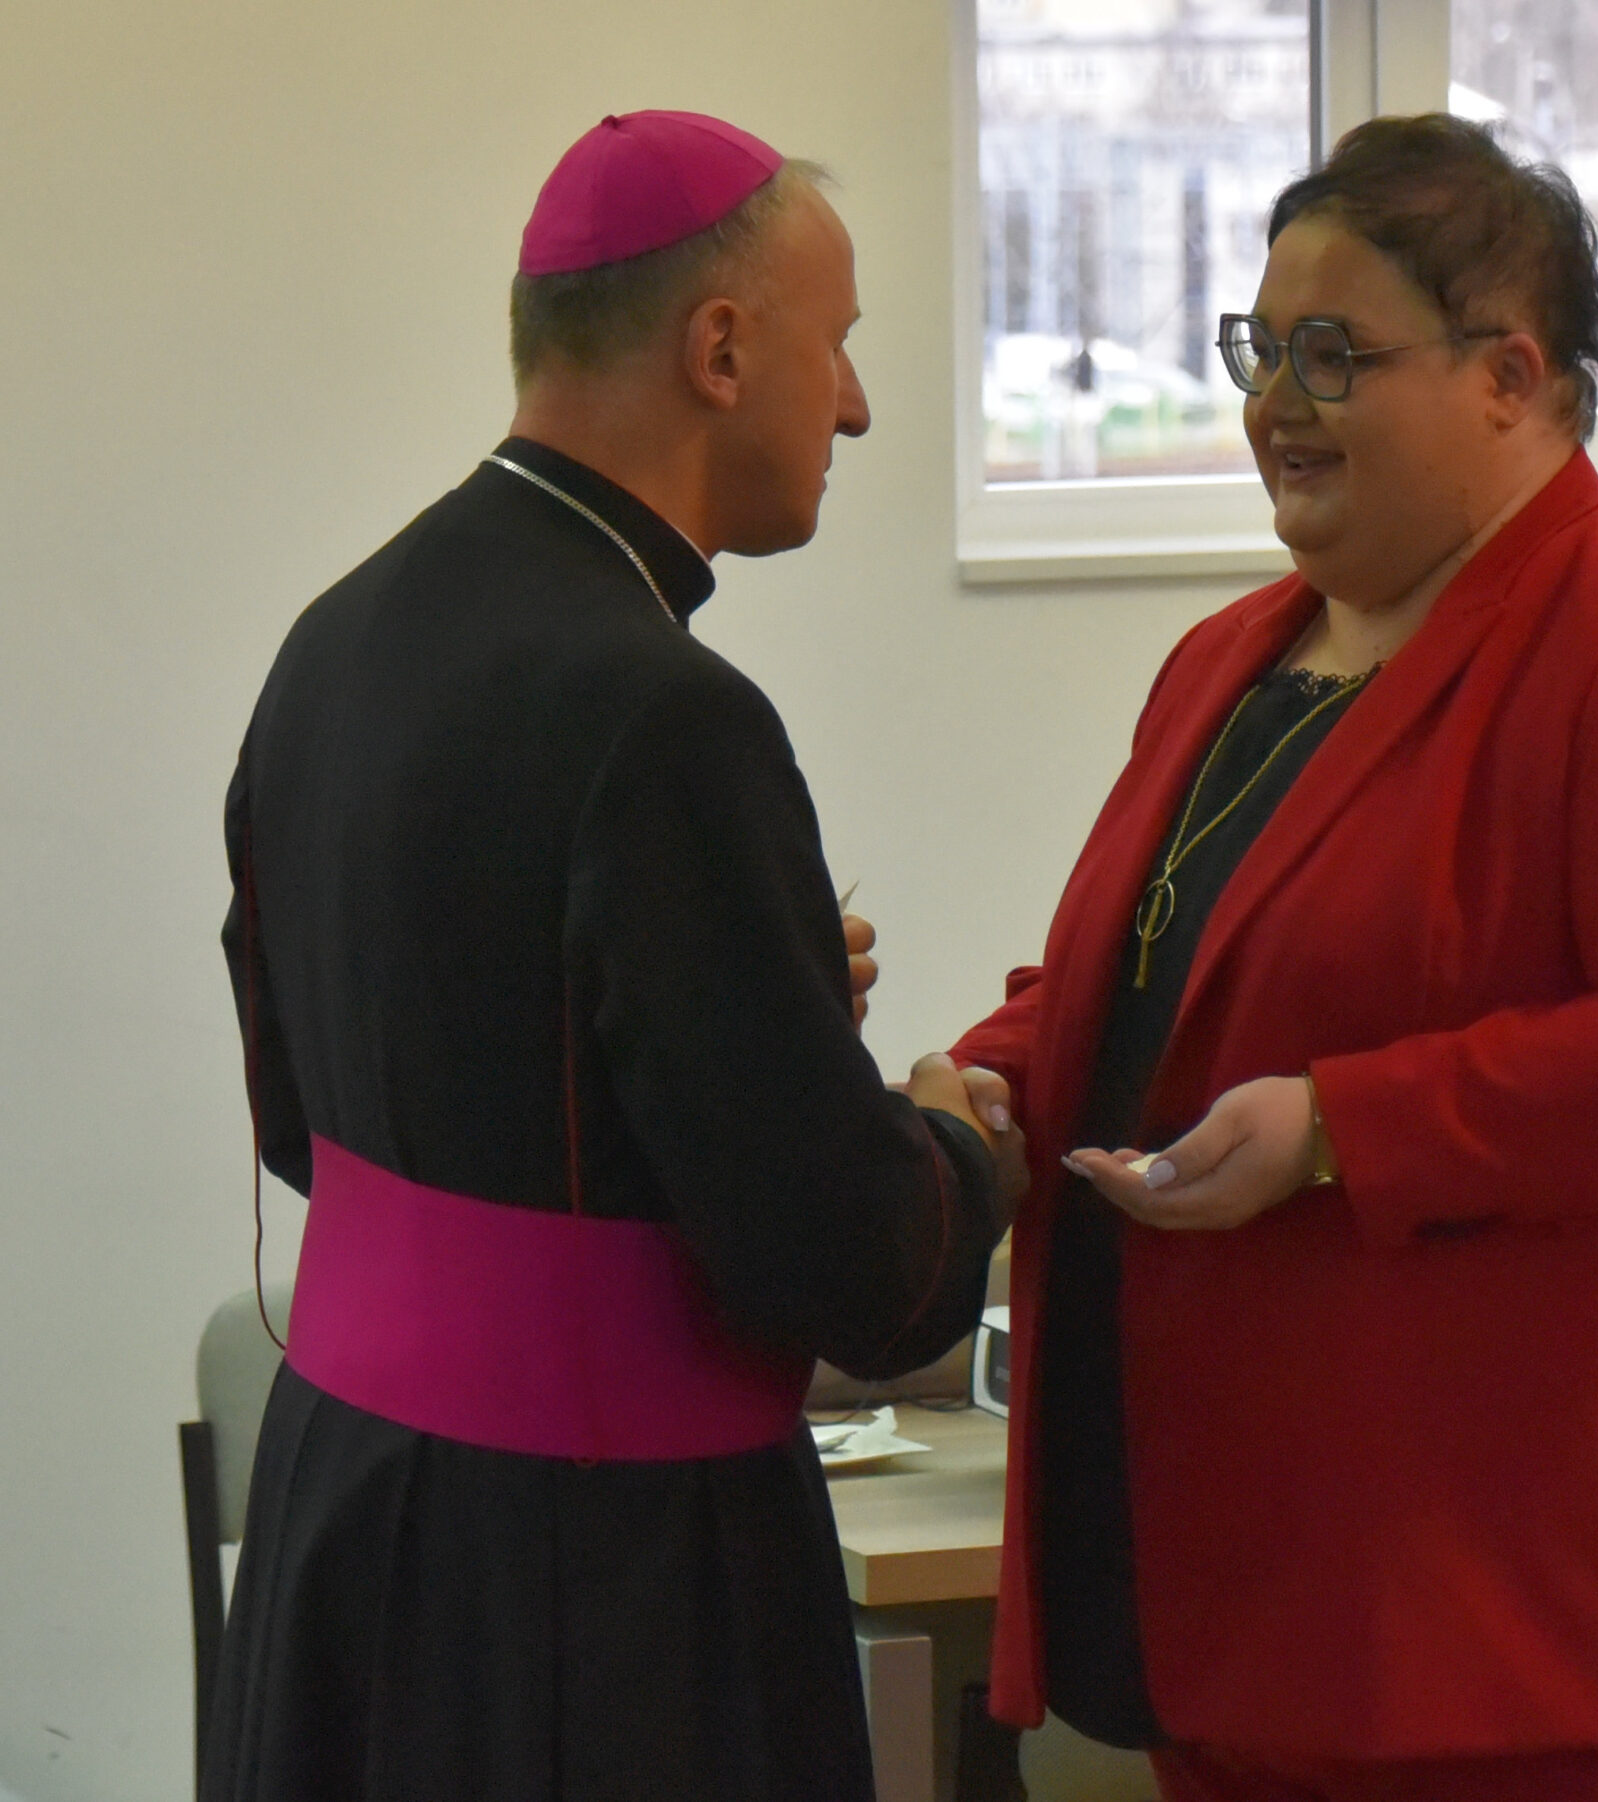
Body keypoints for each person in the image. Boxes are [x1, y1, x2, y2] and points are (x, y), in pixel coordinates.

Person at [948, 114, 1598, 1802]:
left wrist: (1344, 1125)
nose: (1274, 401)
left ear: (1511, 376)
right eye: (1260, 348)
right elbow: (1165, 978)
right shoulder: (1230, 660)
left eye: (1334, 353)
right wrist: (992, 1076)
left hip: (1554, 1640)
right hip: (1259, 1594)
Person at [210, 111, 1017, 1802]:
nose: (855, 407)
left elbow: (308, 1113)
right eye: (838, 344)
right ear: (720, 351)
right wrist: (952, 1140)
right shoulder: (666, 715)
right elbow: (850, 1267)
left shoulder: (338, 632)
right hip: (589, 1583)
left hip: (348, 1505)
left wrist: (739, 996)